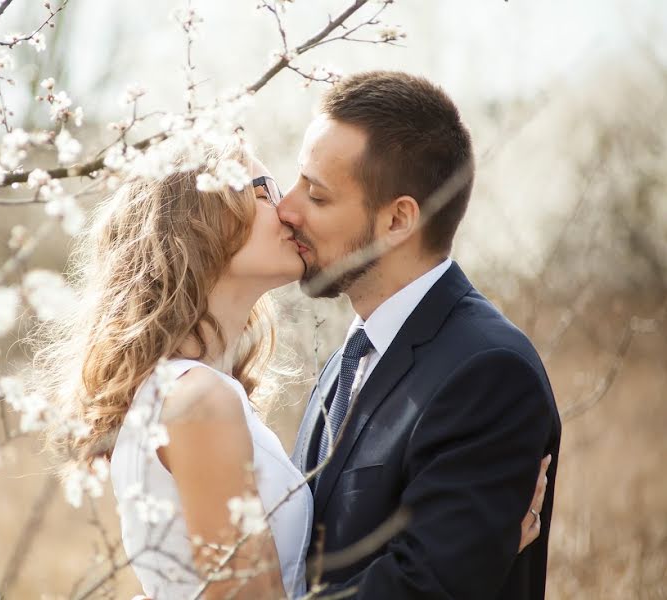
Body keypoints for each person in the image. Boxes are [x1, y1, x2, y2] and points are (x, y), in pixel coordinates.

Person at [36, 139, 549, 598]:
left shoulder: (197, 392)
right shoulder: (198, 400)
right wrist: (472, 557)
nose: (286, 209)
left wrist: (461, 545)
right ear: (201, 217)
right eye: (263, 191)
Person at [281, 71, 561, 599]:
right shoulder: (352, 356)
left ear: (397, 220)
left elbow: (420, 591)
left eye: (316, 195)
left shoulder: (489, 373)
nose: (287, 208)